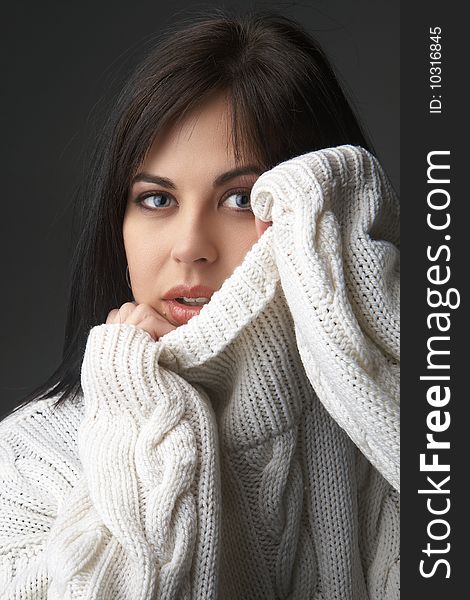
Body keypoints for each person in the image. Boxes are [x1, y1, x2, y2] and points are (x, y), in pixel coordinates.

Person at [0, 9, 400, 599]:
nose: (190, 248)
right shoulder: (24, 464)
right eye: (156, 199)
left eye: (243, 198)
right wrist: (146, 415)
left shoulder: (380, 442)